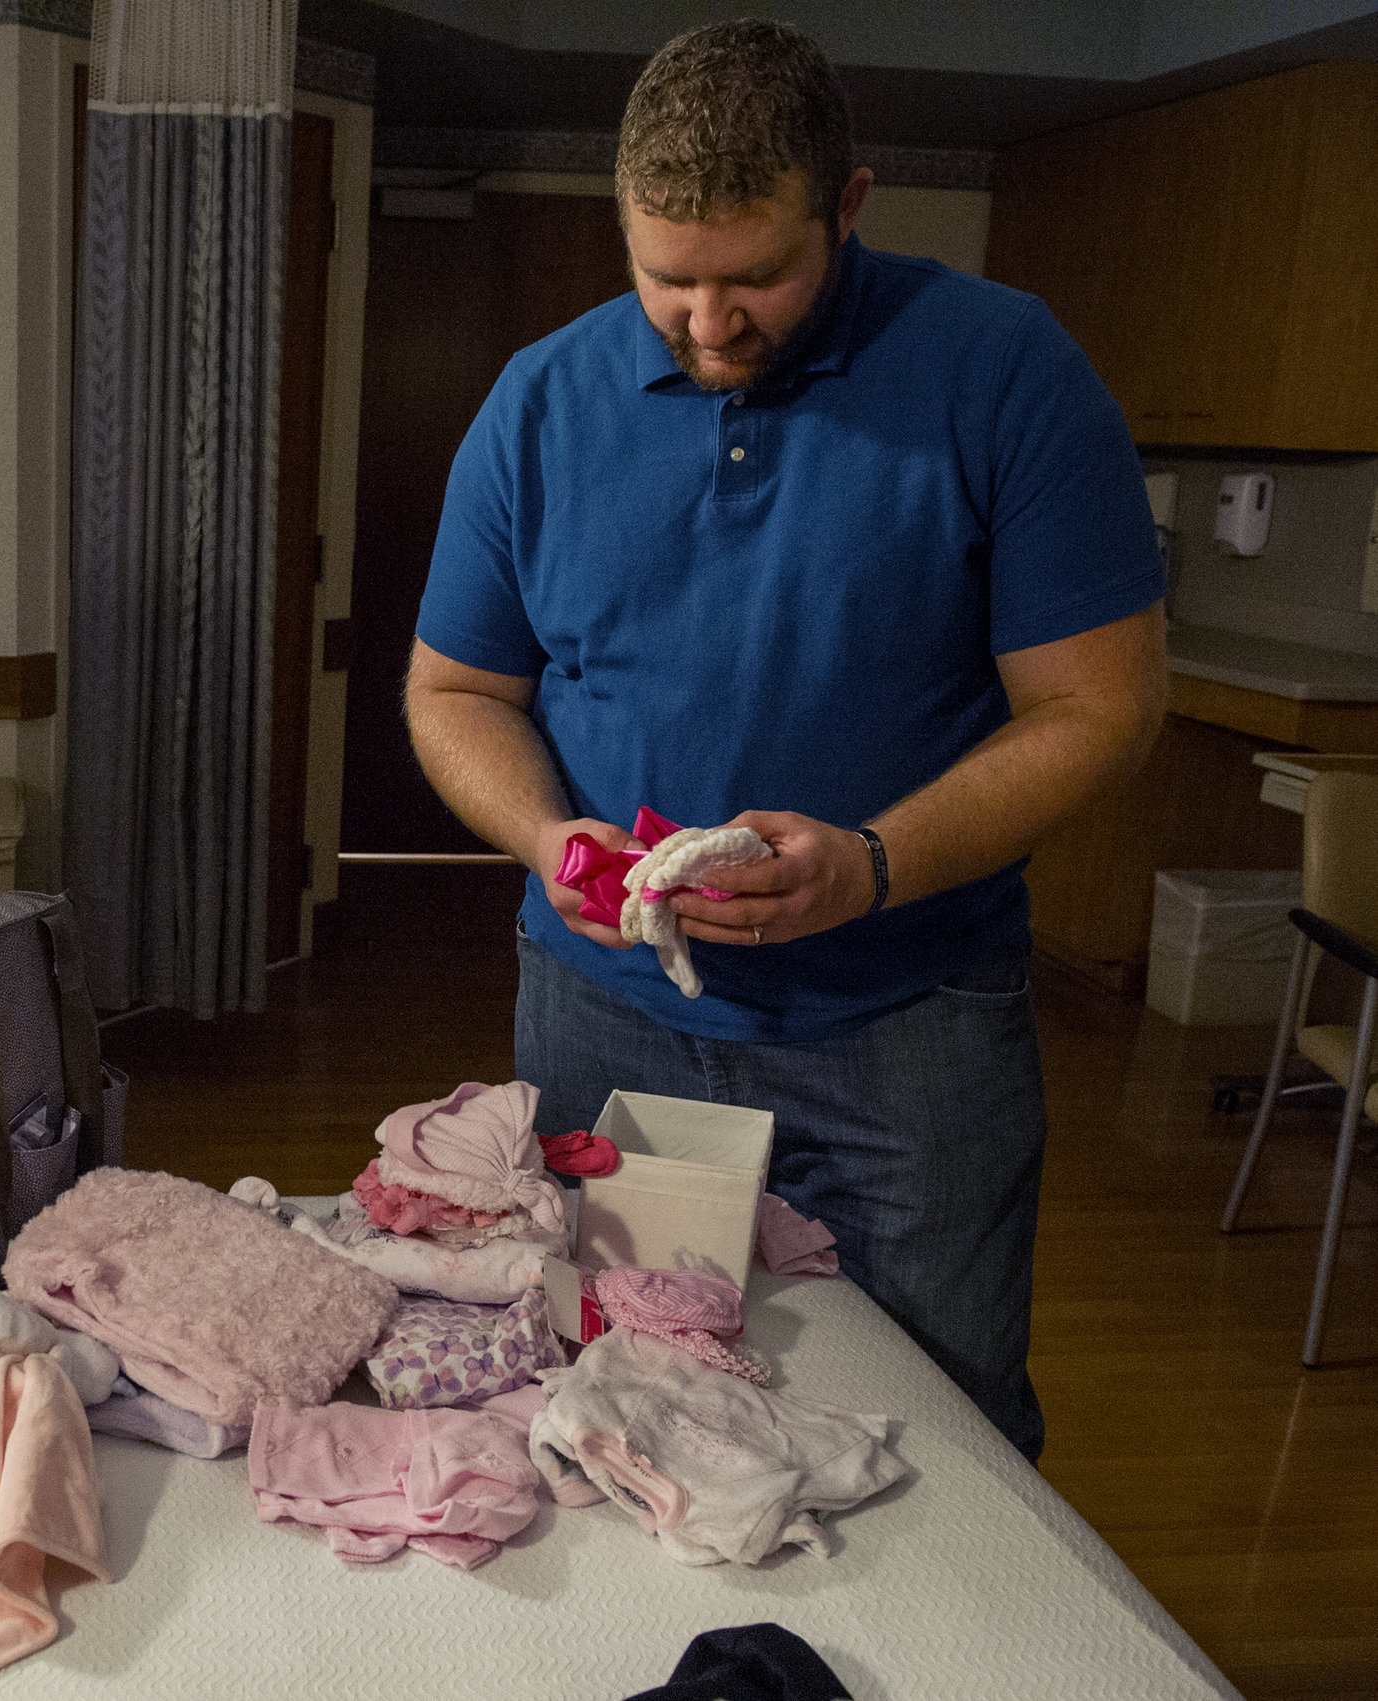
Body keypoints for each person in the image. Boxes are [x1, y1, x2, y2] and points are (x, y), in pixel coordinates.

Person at [403, 20, 1166, 1460]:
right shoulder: (538, 404)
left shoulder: (1005, 372)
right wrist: (548, 837)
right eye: (666, 279)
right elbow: (456, 693)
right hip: (603, 1012)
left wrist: (873, 865)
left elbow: (1103, 708)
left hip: (910, 1024)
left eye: (757, 275)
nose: (706, 322)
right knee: (615, 1402)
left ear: (852, 205)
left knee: (942, 1423)